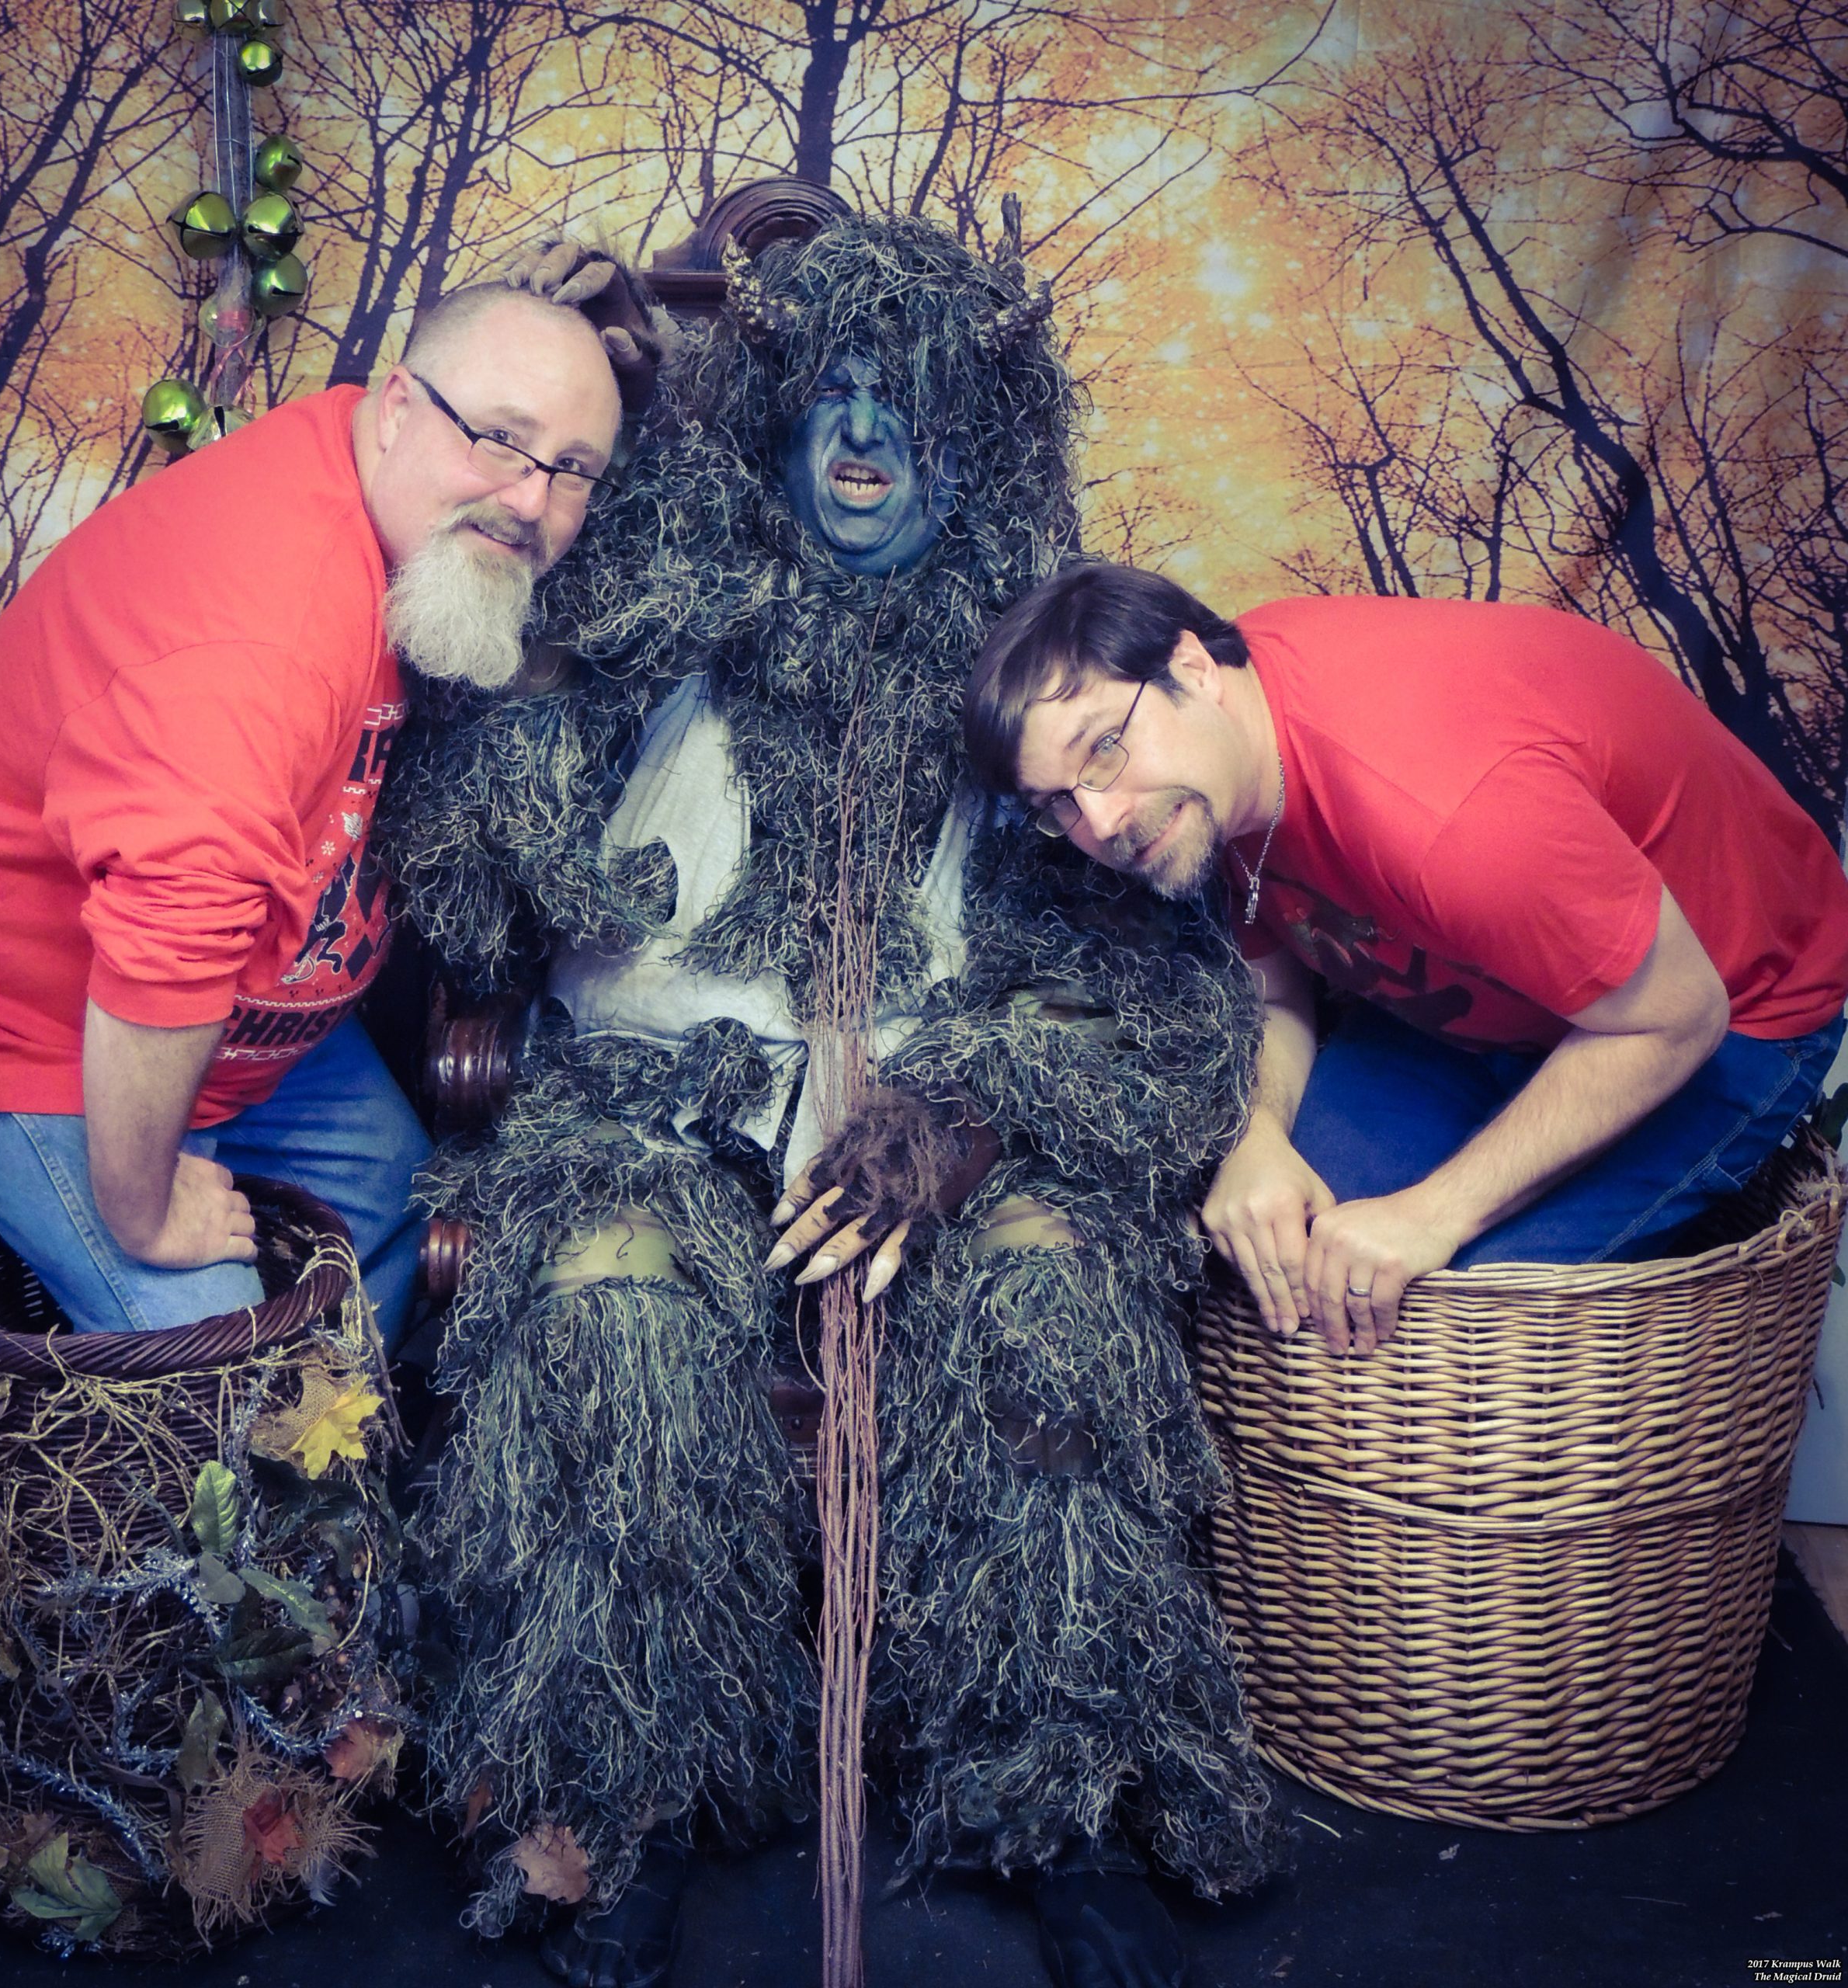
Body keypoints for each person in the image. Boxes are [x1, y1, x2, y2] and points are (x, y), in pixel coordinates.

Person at [384, 214, 1279, 1988]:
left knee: (1049, 1303)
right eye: (834, 398)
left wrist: (966, 1102)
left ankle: (1055, 1795)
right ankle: (617, 1790)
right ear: (779, 417)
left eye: (906, 405)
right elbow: (473, 892)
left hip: (932, 1109)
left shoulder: (1039, 675)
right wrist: (545, 691)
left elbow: (1162, 1003)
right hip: (654, 1077)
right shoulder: (648, 581)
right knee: (605, 1306)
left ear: (975, 444)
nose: (862, 436)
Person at [0, 249, 651, 1347]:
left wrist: (599, 382)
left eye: (573, 469)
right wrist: (142, 1207)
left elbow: (518, 447)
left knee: (396, 1208)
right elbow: (166, 939)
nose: (531, 500)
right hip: (27, 1018)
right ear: (394, 409)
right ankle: (269, 1482)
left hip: (247, 1026)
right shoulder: (261, 640)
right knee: (216, 1368)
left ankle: (344, 1481)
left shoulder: (406, 494)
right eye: (503, 441)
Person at [963, 563, 1848, 1353]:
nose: (1104, 822)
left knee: (1449, 1323)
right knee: (1280, 1256)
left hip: (1721, 1000)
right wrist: (1257, 1136)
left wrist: (1434, 1213)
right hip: (1478, 996)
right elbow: (1276, 984)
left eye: (1104, 749)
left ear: (1192, 667)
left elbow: (1679, 1014)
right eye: (1056, 804)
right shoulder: (1217, 761)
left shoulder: (1450, 814)